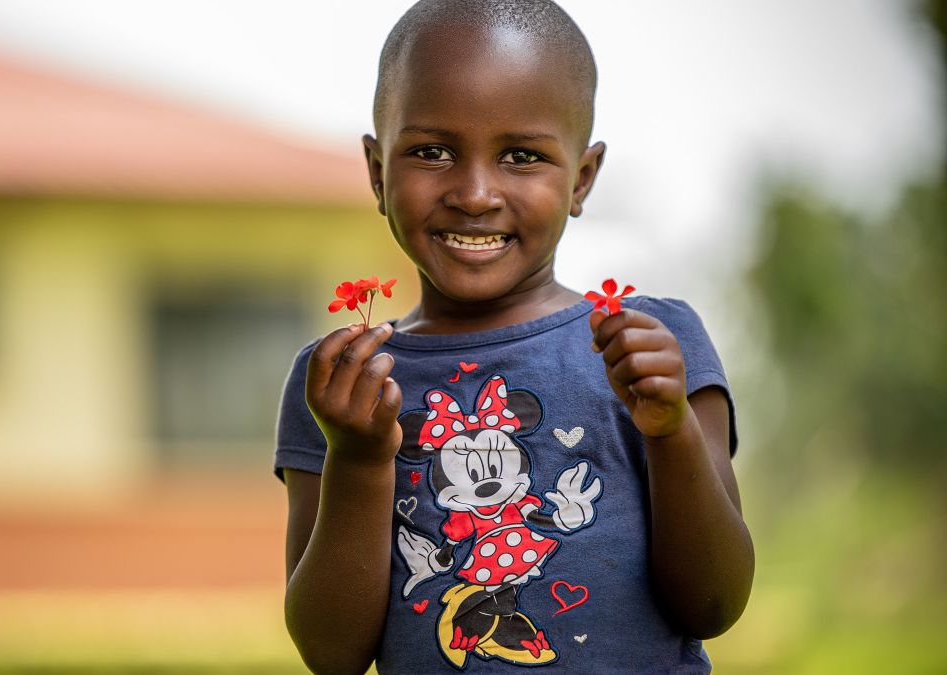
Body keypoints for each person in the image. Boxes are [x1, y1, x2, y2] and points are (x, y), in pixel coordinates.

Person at [274, 1, 754, 672]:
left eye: (521, 156)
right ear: (377, 172)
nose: (474, 192)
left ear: (581, 178)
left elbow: (714, 601)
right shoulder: (344, 383)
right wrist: (356, 458)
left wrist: (669, 430)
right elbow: (332, 653)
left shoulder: (650, 347)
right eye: (431, 152)